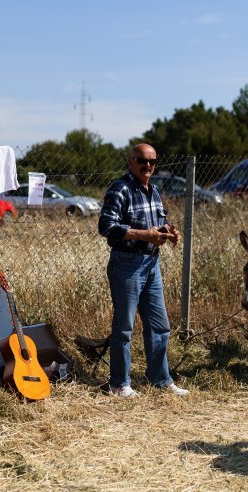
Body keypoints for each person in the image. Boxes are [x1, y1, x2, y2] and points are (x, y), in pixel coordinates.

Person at [97, 143, 190, 398]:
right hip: (126, 263)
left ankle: (161, 379)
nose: (147, 166)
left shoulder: (154, 190)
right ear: (130, 162)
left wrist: (168, 232)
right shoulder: (120, 189)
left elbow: (159, 221)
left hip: (151, 264)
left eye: (152, 161)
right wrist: (145, 235)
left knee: (160, 325)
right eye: (142, 160)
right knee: (124, 327)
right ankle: (119, 384)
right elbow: (106, 226)